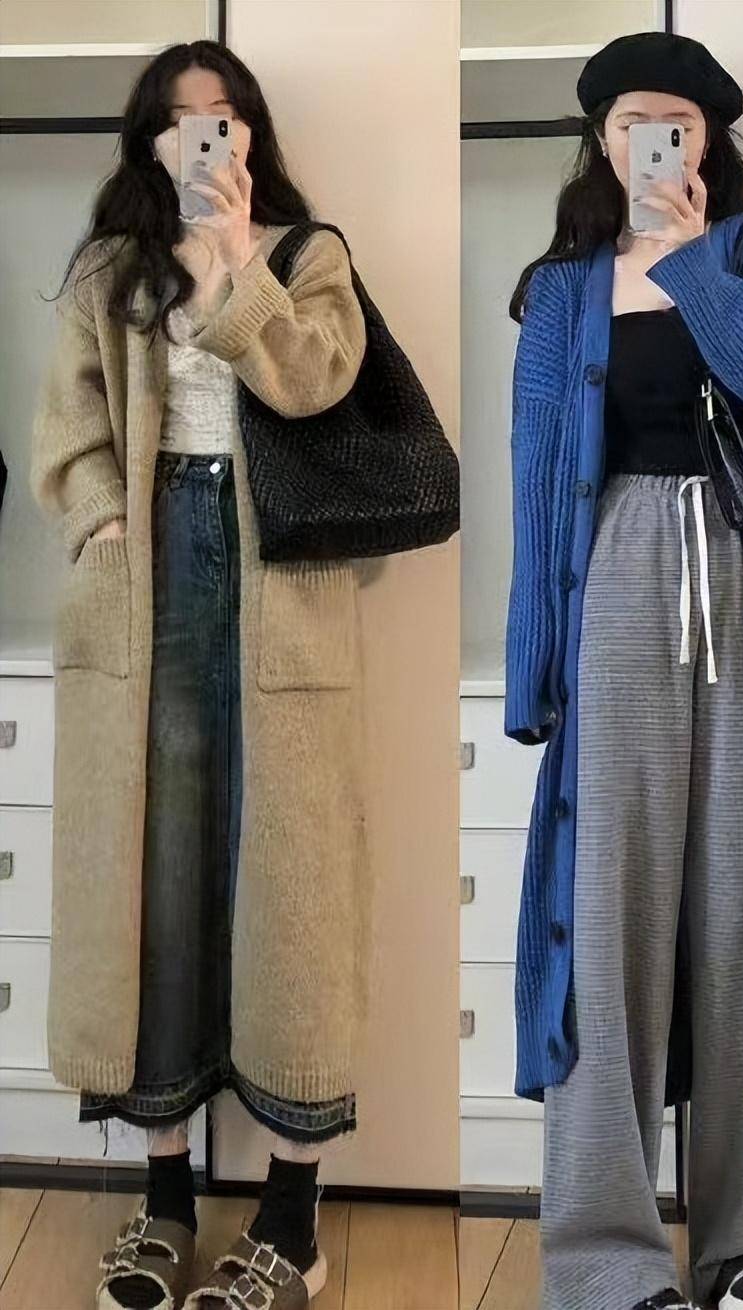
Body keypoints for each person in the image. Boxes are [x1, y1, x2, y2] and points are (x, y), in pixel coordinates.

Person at [503, 31, 743, 1310]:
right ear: (599, 137)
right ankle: (603, 1257)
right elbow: (539, 478)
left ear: (710, 137)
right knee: (606, 913)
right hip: (614, 576)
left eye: (679, 121)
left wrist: (696, 260)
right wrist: (531, 668)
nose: (653, 140)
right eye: (631, 120)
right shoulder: (562, 289)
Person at [32, 40, 371, 1310]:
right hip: (151, 570)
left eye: (223, 118)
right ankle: (166, 1193)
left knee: (290, 879)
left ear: (250, 132)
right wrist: (104, 516)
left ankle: (292, 1214)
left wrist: (235, 260)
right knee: (159, 868)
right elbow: (68, 422)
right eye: (181, 121)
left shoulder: (307, 255)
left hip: (278, 569)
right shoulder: (109, 270)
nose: (203, 138)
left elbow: (318, 383)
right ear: (149, 139)